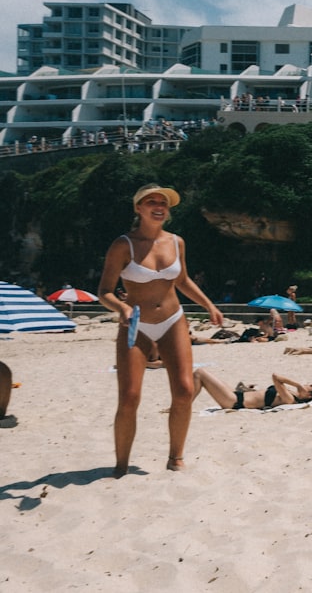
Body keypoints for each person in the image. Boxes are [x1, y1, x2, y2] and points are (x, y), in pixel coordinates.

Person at [98, 183, 223, 478]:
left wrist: (209, 305)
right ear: (138, 208)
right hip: (136, 324)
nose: (159, 206)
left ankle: (175, 457)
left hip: (172, 321)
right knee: (129, 396)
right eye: (151, 201)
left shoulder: (176, 242)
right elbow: (104, 291)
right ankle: (121, 465)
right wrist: (123, 308)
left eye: (163, 203)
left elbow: (182, 280)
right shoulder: (122, 245)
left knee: (184, 389)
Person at [192, 368, 312, 410]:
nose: (308, 383)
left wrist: (297, 385)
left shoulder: (290, 399)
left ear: (309, 395)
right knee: (205, 375)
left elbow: (276, 376)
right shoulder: (290, 393)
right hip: (238, 395)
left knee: (200, 373)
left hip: (234, 401)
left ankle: (184, 405)